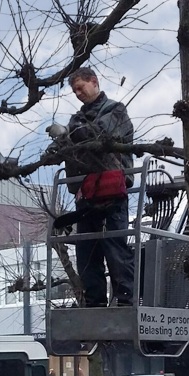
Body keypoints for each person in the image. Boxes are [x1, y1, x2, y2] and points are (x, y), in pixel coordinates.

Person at [47, 67, 135, 307]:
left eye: (80, 87)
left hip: (111, 195)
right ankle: (94, 304)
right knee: (86, 255)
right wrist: (56, 148)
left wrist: (67, 134)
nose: (77, 93)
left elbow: (98, 134)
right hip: (86, 196)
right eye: (74, 90)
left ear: (94, 82)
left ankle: (125, 303)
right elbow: (71, 141)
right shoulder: (76, 119)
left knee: (115, 250)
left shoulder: (115, 111)